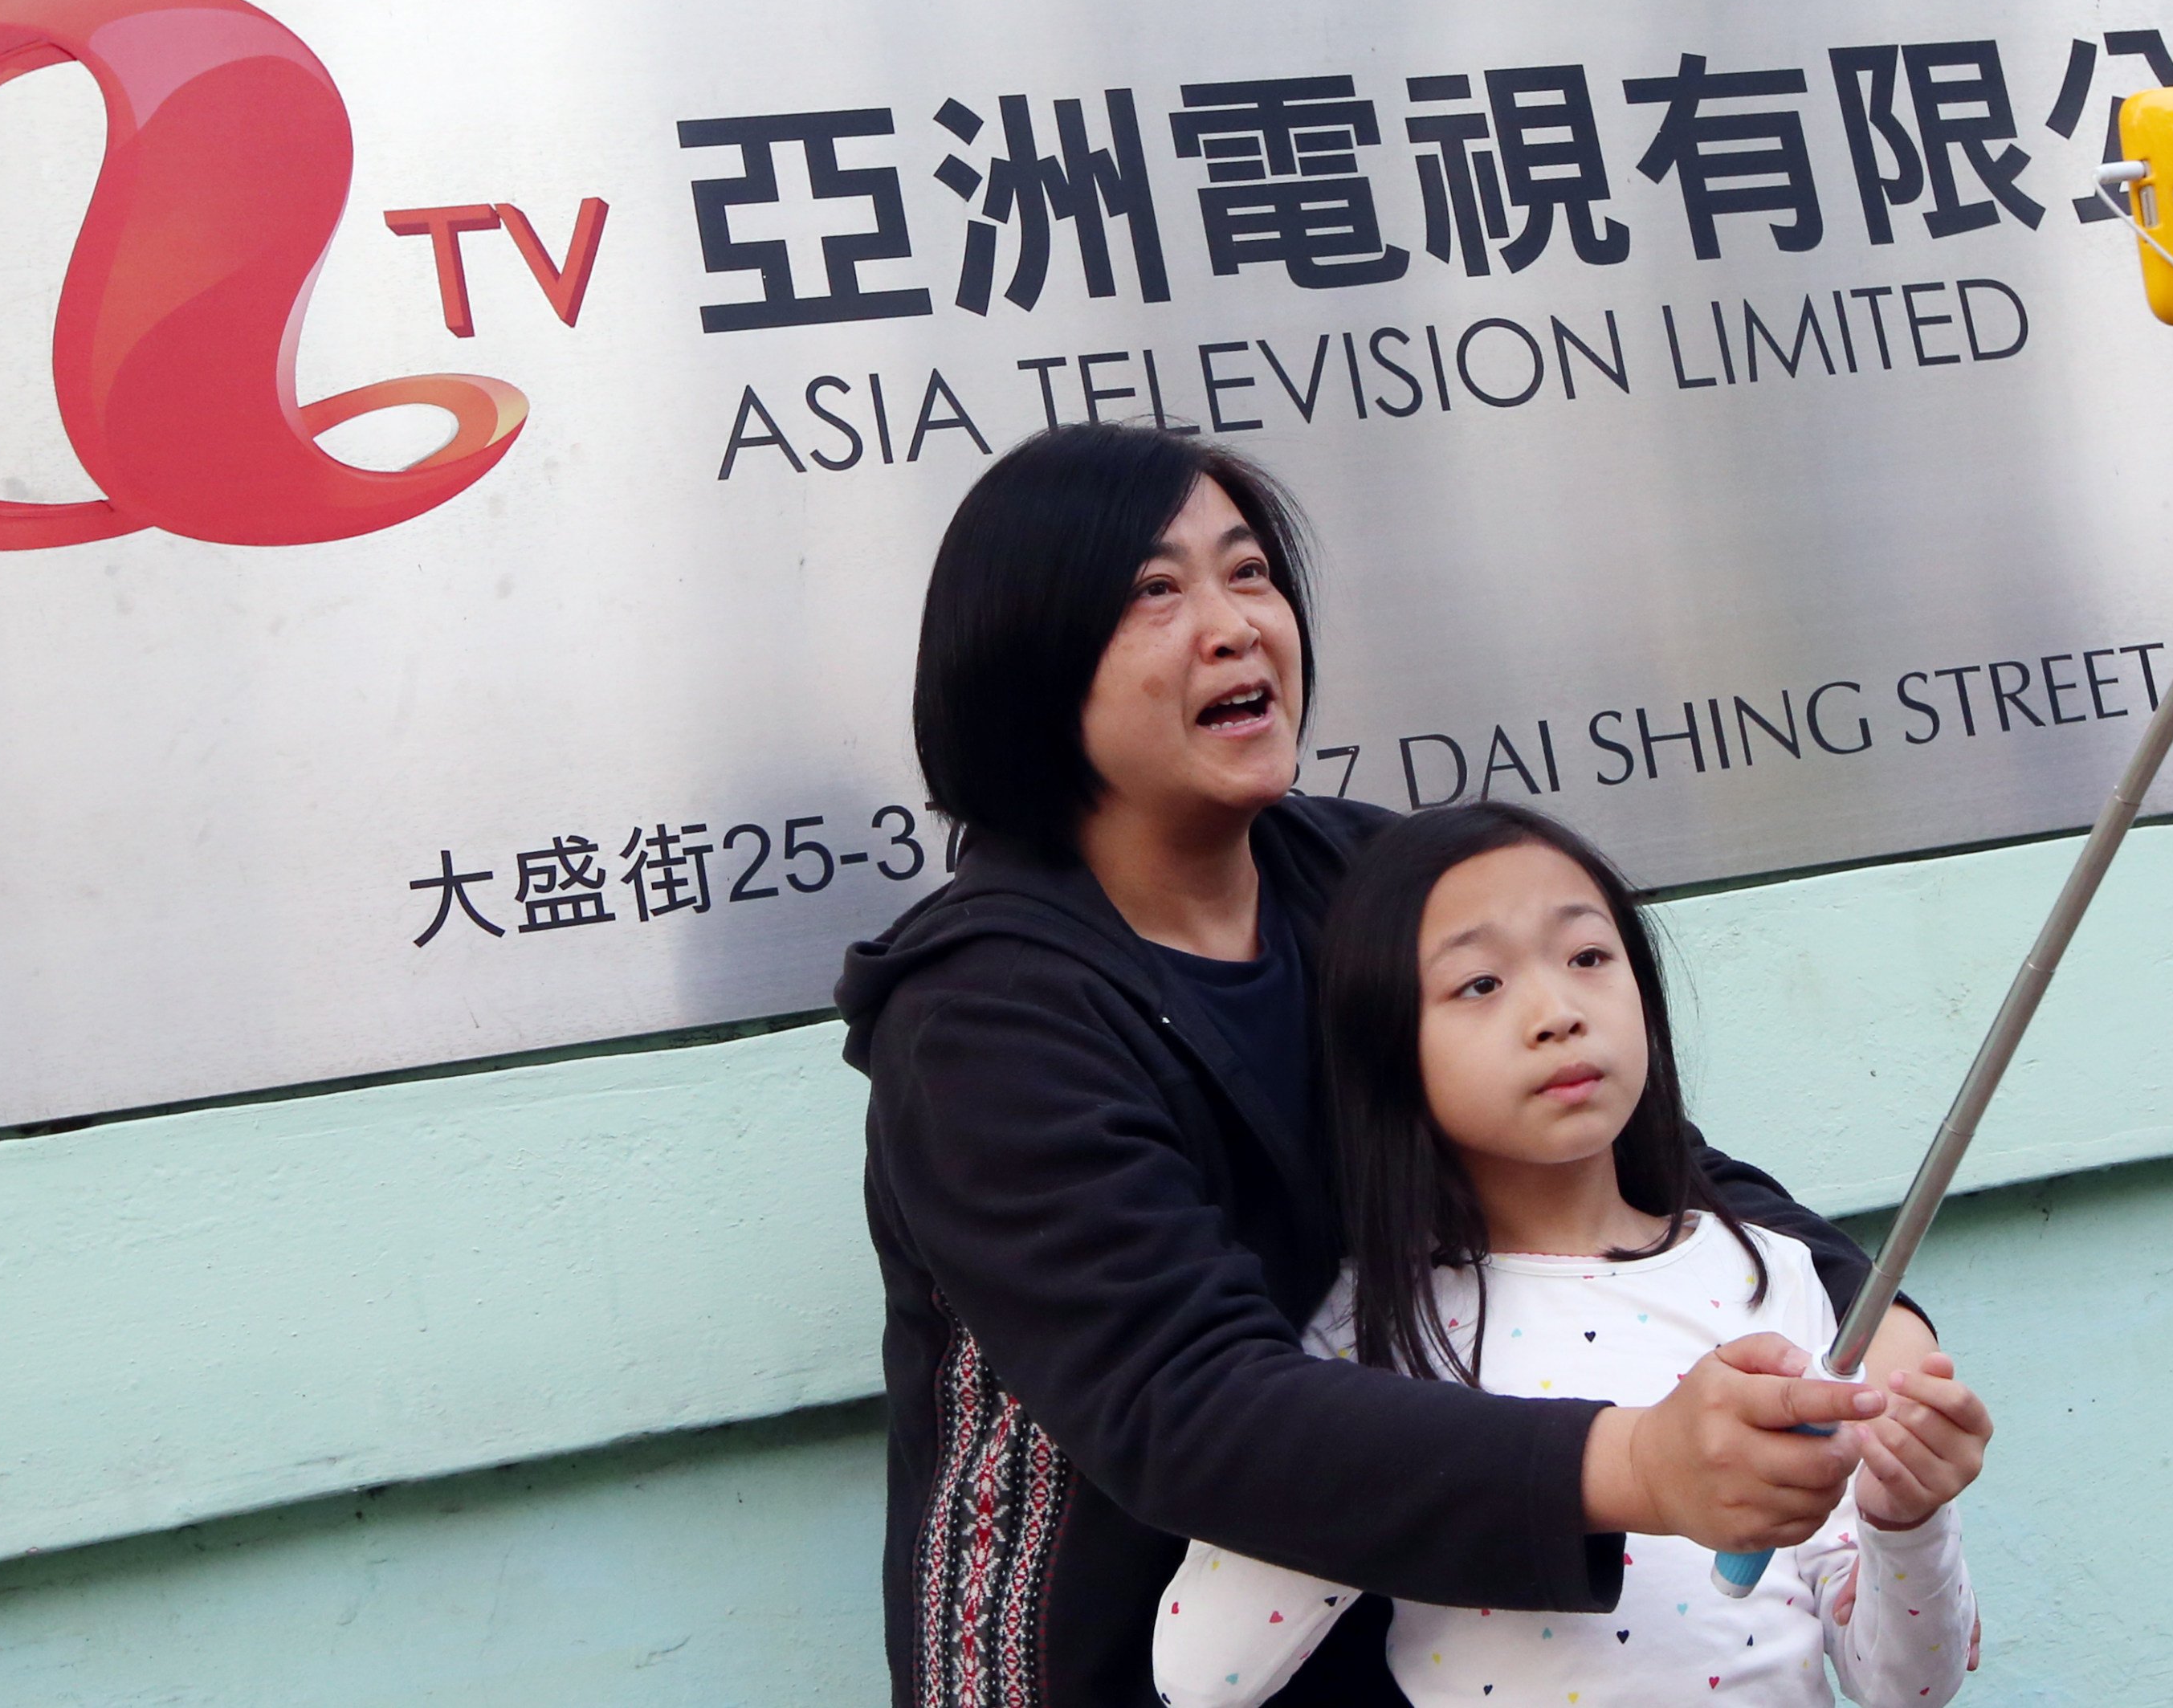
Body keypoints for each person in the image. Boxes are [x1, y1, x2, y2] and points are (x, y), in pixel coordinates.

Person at [836, 423, 1939, 1708]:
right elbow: (1191, 1404)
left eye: (1248, 572)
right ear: (1029, 662)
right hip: (1100, 1665)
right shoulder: (982, 1020)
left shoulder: (1370, 884)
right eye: (1154, 590)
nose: (1234, 623)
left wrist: (1872, 1322)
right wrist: (1637, 1462)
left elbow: (1627, 1148)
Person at [1151, 802, 1991, 1706]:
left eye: (1588, 956)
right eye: (1479, 983)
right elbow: (1201, 1675)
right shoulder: (1370, 1326)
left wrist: (1907, 1519)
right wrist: (1356, 1482)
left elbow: (1908, 1688)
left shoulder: (1768, 1275)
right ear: (1387, 1048)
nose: (1557, 1012)